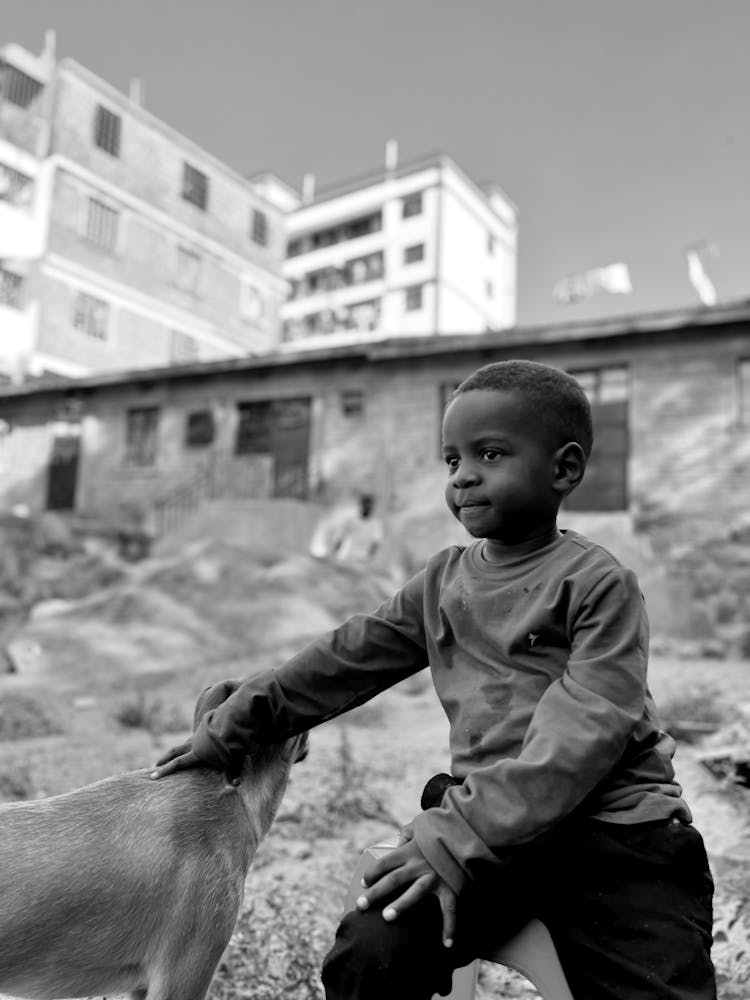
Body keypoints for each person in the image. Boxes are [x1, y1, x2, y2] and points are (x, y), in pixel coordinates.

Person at [151, 360, 716, 1000]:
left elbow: (581, 735)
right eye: (452, 460)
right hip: (488, 839)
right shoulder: (444, 582)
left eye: (491, 453)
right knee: (369, 958)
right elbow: (343, 661)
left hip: (617, 840)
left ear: (564, 469)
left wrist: (455, 833)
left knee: (663, 988)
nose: (463, 475)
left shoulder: (598, 585)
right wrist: (233, 727)